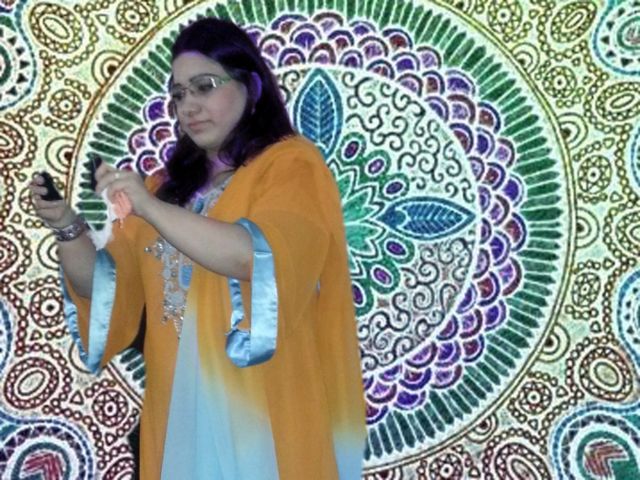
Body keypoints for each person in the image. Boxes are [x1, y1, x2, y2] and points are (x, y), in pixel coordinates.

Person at [29, 17, 367, 480]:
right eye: (178, 94)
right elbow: (106, 287)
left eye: (204, 87)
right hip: (179, 414)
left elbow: (252, 256)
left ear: (251, 86)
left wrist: (149, 207)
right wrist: (67, 227)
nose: (188, 106)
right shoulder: (164, 189)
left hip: (263, 411)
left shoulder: (291, 167)